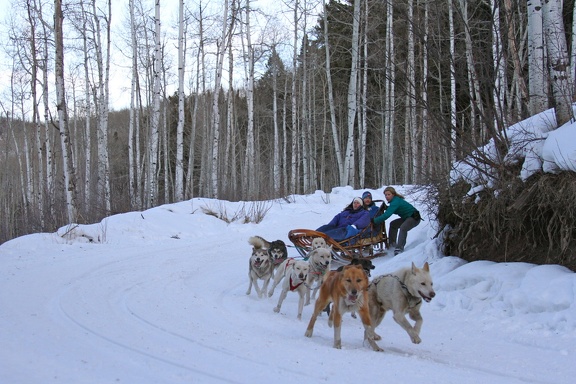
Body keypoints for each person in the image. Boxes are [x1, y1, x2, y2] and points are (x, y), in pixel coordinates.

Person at [372, 186, 421, 255]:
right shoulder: (394, 201)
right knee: (393, 224)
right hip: (407, 217)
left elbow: (386, 215)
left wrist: (374, 220)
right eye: (385, 195)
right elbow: (394, 209)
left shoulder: (395, 201)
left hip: (414, 218)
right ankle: (392, 244)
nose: (387, 196)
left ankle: (399, 248)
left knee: (403, 228)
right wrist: (387, 208)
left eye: (389, 194)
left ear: (393, 194)